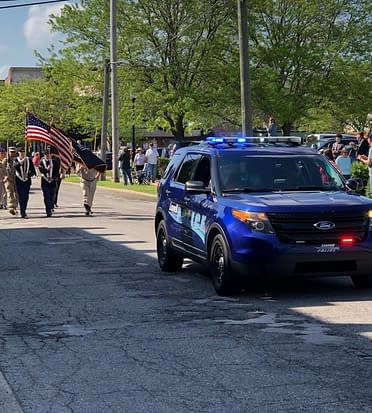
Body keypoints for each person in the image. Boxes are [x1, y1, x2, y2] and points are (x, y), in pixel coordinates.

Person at [14, 147, 36, 218]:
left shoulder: (29, 160)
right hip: (19, 181)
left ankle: (24, 209)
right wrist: (21, 162)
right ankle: (22, 212)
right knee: (21, 197)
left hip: (27, 181)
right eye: (21, 152)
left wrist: (29, 174)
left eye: (23, 152)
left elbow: (33, 171)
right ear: (19, 153)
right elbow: (14, 166)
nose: (22, 153)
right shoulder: (15, 160)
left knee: (26, 197)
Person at [39, 149, 60, 217]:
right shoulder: (41, 162)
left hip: (53, 182)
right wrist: (46, 170)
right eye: (45, 154)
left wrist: (53, 177)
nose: (47, 156)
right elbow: (41, 171)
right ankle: (48, 211)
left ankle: (51, 206)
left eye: (48, 154)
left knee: (51, 196)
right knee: (46, 196)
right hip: (45, 182)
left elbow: (57, 172)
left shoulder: (54, 162)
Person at [2, 146, 19, 215]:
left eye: (13, 152)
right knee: (10, 193)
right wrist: (4, 176)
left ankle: (15, 207)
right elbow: (2, 169)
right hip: (9, 179)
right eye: (11, 152)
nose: (12, 153)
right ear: (8, 152)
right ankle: (11, 207)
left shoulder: (16, 160)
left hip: (17, 179)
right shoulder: (5, 160)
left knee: (17, 194)